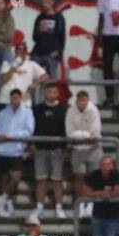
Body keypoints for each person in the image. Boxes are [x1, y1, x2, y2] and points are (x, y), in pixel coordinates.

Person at [0, 89, 33, 218]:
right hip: (3, 151)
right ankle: (5, 202)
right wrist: (0, 136)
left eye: (17, 98)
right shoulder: (3, 113)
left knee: (15, 178)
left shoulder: (27, 112)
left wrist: (10, 136)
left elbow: (28, 131)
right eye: (13, 98)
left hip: (16, 151)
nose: (15, 101)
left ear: (20, 98)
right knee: (4, 178)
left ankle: (2, 198)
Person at [32, 83, 68, 219]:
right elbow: (32, 128)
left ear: (57, 94)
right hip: (40, 149)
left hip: (57, 150)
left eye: (54, 92)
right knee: (41, 180)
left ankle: (59, 206)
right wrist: (33, 145)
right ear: (45, 93)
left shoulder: (64, 109)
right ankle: (39, 206)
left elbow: (66, 129)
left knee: (57, 180)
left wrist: (64, 147)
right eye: (49, 92)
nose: (52, 94)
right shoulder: (37, 109)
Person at [66, 90, 103, 205]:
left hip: (93, 148)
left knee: (95, 176)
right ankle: (81, 201)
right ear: (76, 101)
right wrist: (85, 135)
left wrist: (79, 135)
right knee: (79, 176)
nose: (82, 103)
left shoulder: (94, 110)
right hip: (77, 148)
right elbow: (69, 132)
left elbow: (95, 132)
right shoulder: (70, 111)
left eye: (84, 101)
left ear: (88, 101)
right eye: (80, 101)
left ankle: (93, 202)